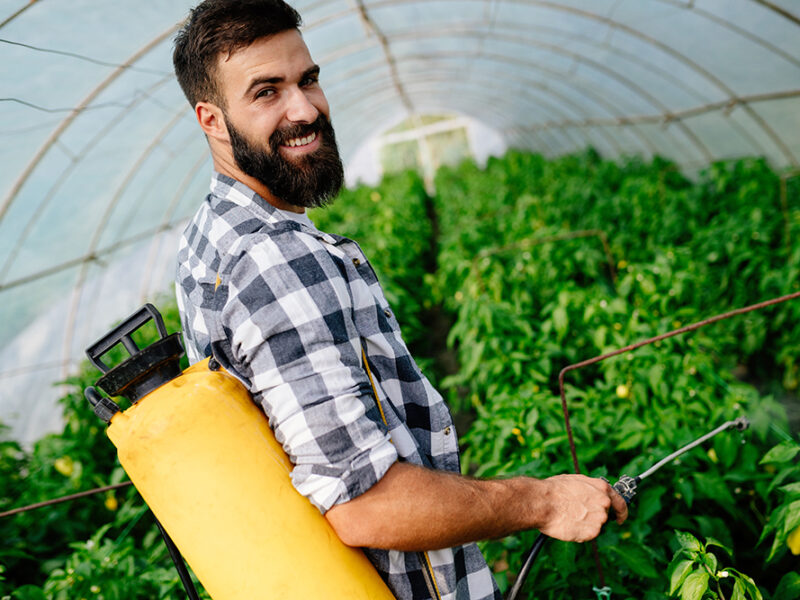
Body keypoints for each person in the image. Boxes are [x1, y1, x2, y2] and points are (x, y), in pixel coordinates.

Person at [173, 1, 628, 598]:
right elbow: (366, 504)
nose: (305, 109)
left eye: (308, 79)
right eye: (266, 92)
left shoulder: (208, 236)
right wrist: (543, 500)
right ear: (211, 119)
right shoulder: (272, 260)